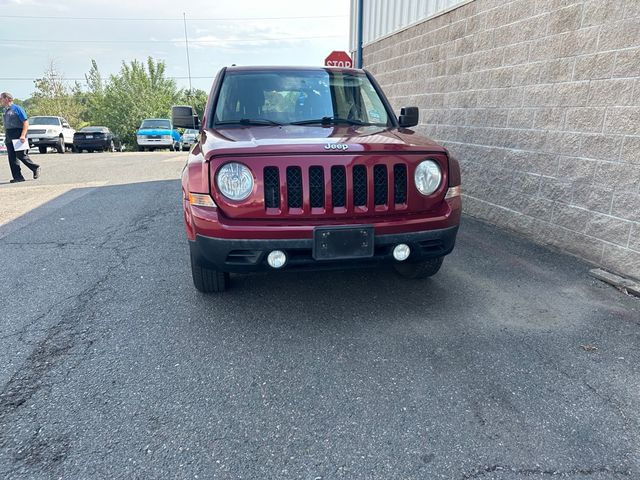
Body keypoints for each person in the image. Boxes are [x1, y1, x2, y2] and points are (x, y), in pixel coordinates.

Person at [1, 92, 40, 183]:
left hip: (18, 133)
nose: (0, 100)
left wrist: (22, 135)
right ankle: (18, 177)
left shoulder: (17, 109)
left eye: (1, 98)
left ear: (7, 99)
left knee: (21, 155)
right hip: (9, 134)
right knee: (12, 157)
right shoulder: (5, 110)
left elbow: (25, 123)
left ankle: (35, 167)